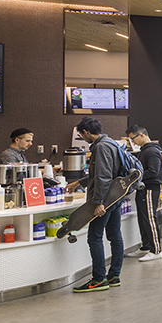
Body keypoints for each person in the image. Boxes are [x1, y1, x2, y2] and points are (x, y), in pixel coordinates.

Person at [67, 117, 131, 293]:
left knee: (94, 237)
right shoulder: (111, 143)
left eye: (82, 135)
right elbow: (105, 173)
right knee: (114, 235)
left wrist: (99, 202)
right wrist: (78, 182)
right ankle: (114, 276)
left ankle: (98, 279)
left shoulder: (101, 147)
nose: (83, 138)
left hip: (106, 199)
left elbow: (103, 176)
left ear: (86, 132)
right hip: (116, 196)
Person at [125, 124, 162, 262]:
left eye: (133, 139)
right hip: (143, 189)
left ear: (141, 135)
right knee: (143, 218)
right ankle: (146, 246)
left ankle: (156, 249)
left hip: (150, 188)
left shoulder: (151, 151)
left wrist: (136, 176)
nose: (133, 142)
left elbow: (154, 171)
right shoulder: (145, 150)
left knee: (149, 218)